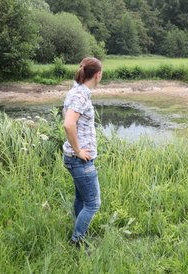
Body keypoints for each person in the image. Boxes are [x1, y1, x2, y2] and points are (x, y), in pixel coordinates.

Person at [63, 57, 103, 247]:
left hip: (74, 159)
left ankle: (79, 231)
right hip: (80, 160)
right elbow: (68, 124)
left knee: (81, 198)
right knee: (93, 204)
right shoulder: (80, 95)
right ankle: (76, 240)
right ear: (97, 75)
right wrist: (78, 151)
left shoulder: (77, 91)